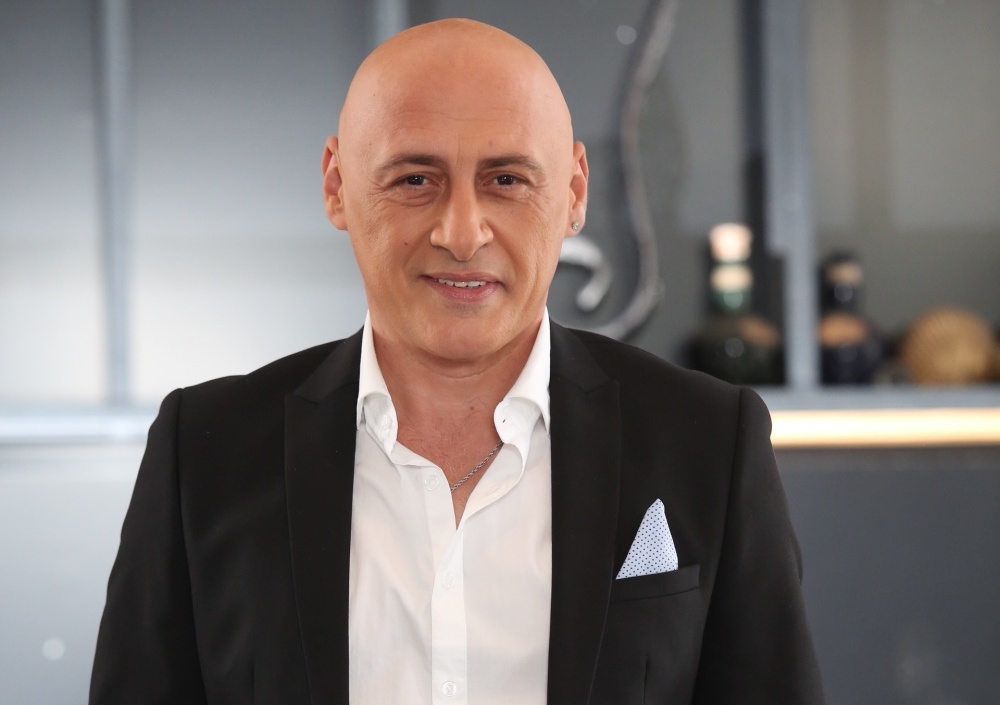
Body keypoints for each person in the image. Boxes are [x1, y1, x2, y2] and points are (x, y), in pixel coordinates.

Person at [90, 17, 825, 705]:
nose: (463, 233)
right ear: (337, 185)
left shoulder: (707, 439)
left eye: (506, 180)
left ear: (573, 192)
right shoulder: (205, 451)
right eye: (416, 179)